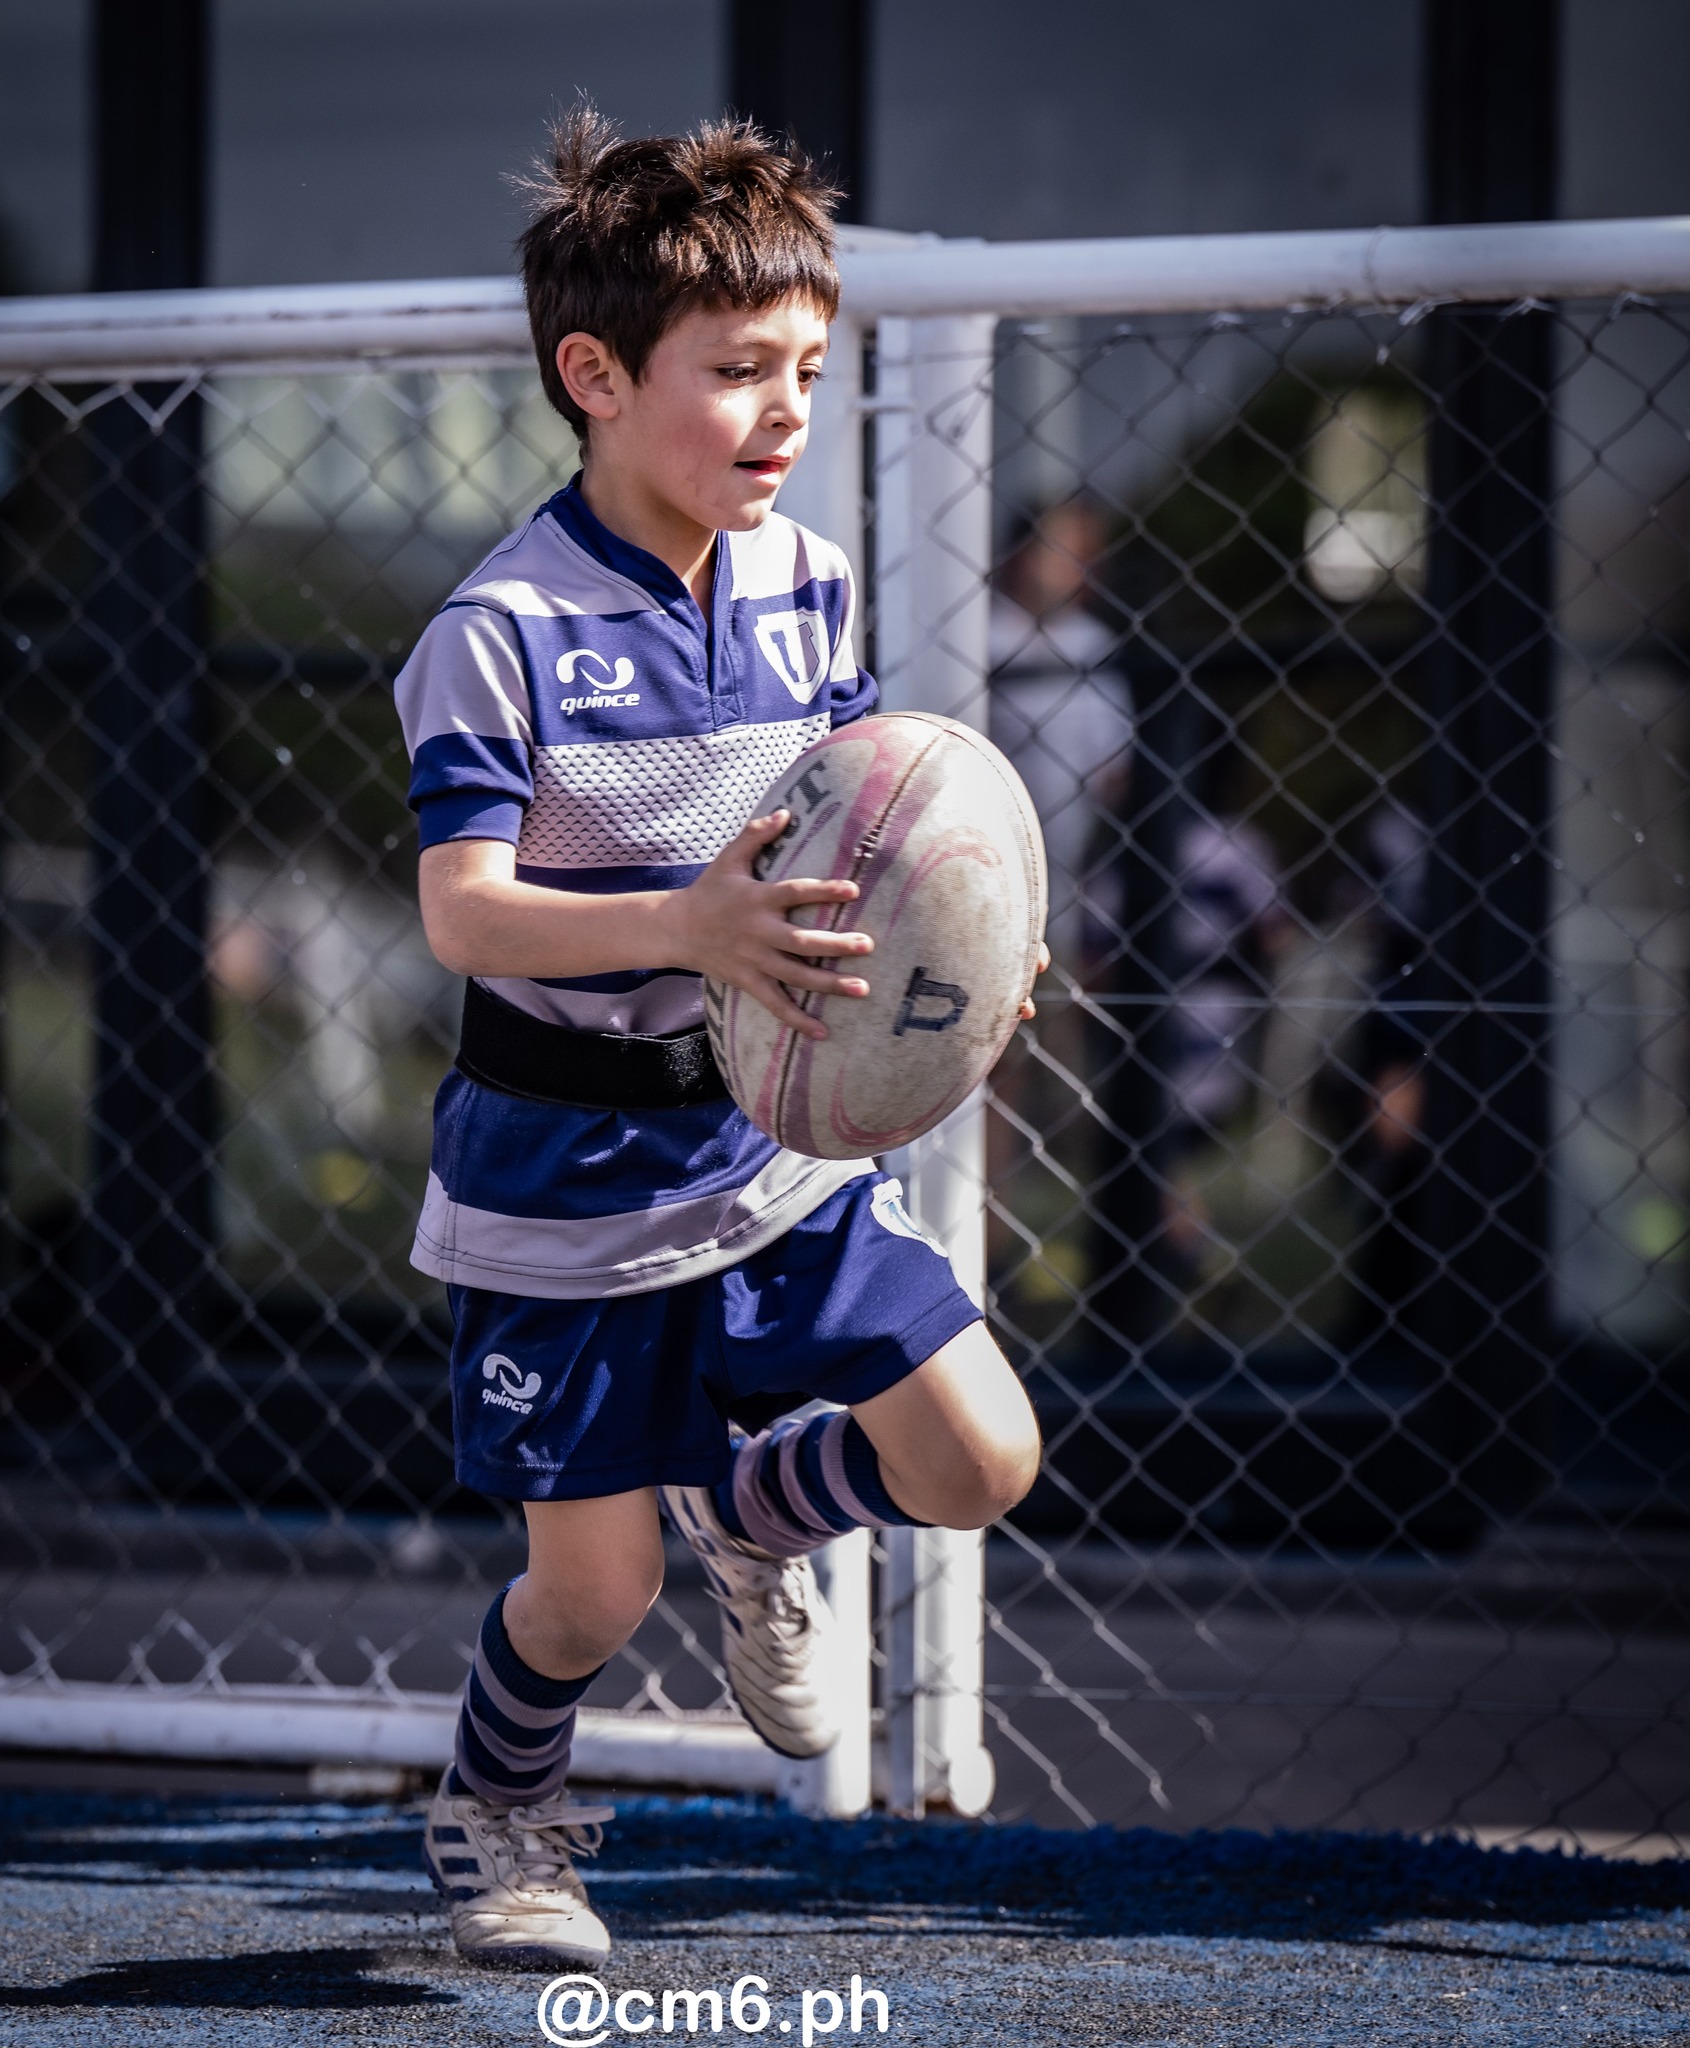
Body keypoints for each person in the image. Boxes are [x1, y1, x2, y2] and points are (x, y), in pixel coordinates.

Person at [393, 112, 1044, 1969]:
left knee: (977, 1456)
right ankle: (504, 1822)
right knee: (587, 1595)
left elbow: (855, 819)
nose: (780, 410)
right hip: (559, 1184)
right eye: (736, 370)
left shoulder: (810, 584)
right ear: (590, 375)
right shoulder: (497, 632)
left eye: (805, 372)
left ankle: (758, 1504)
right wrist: (682, 922)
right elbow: (463, 912)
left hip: (765, 1151)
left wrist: (966, 943)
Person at [987, 499, 1132, 965]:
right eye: (1061, 552)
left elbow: (1114, 766)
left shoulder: (1093, 644)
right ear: (1022, 556)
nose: (1076, 568)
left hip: (1069, 884)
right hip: (986, 865)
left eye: (1083, 555)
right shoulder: (982, 637)